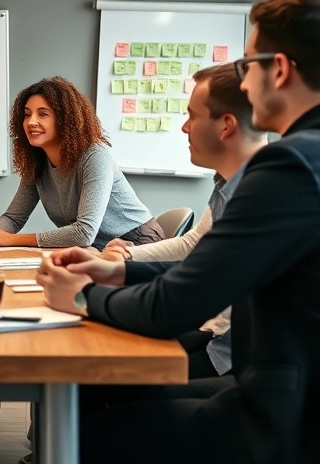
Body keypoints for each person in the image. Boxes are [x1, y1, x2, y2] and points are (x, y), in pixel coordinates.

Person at [37, 0, 320, 464]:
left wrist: (77, 297)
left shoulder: (290, 166)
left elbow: (172, 309)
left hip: (292, 426)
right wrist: (116, 273)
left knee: (82, 435)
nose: (243, 80)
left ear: (278, 70)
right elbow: (213, 274)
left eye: (245, 65)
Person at [100, 62, 267, 378]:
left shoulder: (257, 193)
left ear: (226, 125)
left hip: (233, 353)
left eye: (192, 115)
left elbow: (198, 285)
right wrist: (125, 259)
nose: (184, 127)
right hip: (215, 330)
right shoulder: (227, 184)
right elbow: (196, 245)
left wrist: (100, 286)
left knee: (106, 373)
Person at [0, 77, 163, 250]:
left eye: (42, 114)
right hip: (95, 250)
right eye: (27, 114)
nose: (31, 122)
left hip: (137, 244)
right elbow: (13, 218)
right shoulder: (37, 161)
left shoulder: (95, 156)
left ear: (65, 120)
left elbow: (84, 232)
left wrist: (10, 240)